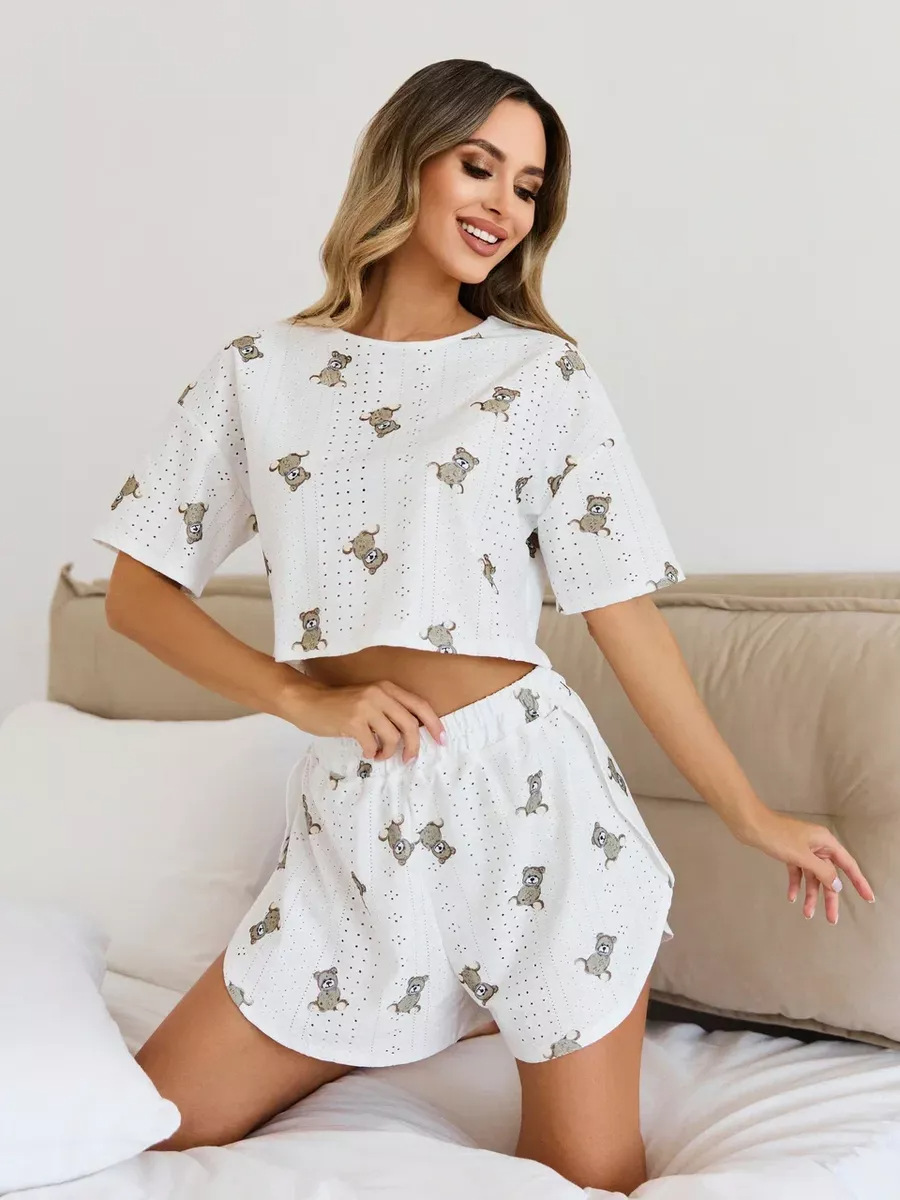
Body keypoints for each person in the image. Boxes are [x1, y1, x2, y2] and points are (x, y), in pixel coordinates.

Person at [90, 58, 874, 1194]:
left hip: (532, 808)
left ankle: (478, 1000)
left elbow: (621, 614)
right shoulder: (260, 373)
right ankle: (417, 1011)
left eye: (529, 187)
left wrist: (749, 813)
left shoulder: (539, 375)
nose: (504, 204)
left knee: (586, 1180)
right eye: (479, 166)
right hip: (359, 817)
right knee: (150, 1128)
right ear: (407, 161)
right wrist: (302, 697)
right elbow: (135, 591)